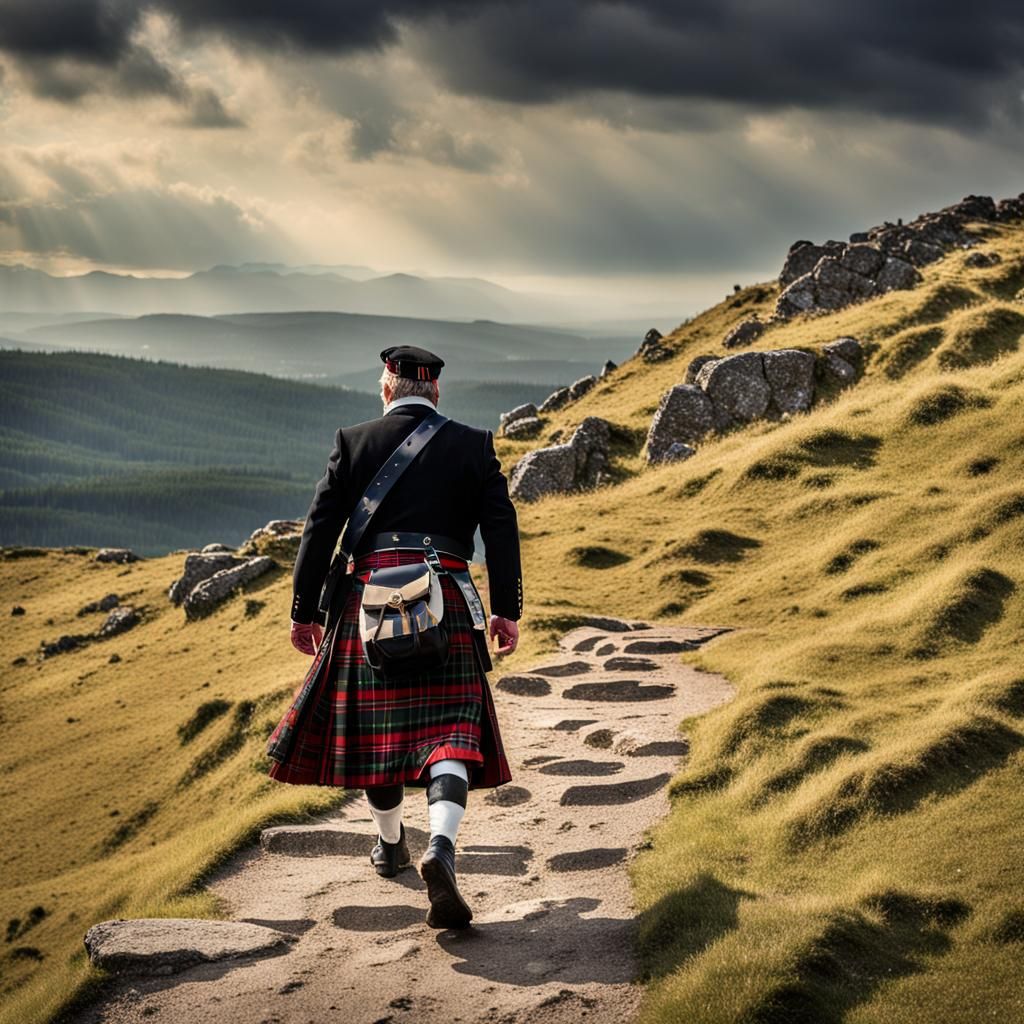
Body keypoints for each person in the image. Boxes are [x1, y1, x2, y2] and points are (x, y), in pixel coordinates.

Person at [269, 344, 523, 930]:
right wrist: (506, 609)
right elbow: (500, 530)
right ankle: (442, 846)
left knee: (380, 741)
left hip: (368, 608)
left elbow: (320, 528)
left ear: (387, 389)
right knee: (451, 732)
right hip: (447, 603)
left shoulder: (352, 442)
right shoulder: (473, 443)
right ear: (434, 391)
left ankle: (391, 845)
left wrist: (304, 611)